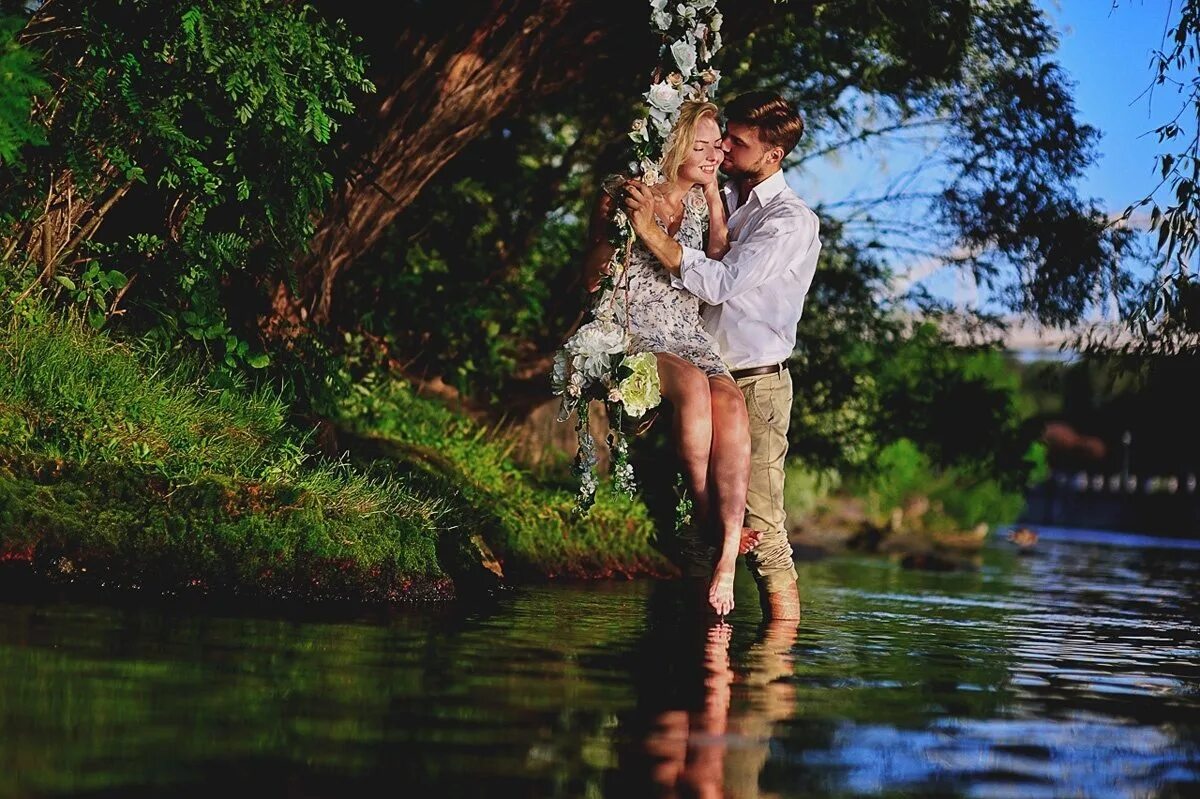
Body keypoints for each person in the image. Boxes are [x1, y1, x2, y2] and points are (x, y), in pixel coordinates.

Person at [622, 91, 821, 621]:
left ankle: (779, 659)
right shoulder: (719, 192)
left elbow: (723, 282)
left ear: (774, 154)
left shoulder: (790, 221)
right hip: (692, 371)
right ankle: (698, 646)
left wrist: (654, 238)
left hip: (754, 383)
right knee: (690, 524)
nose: (725, 149)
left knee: (766, 530)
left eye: (738, 142)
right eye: (722, 137)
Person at [580, 100, 749, 617]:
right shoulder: (628, 195)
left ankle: (726, 558)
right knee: (695, 388)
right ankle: (707, 520)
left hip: (687, 332)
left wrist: (715, 202)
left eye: (716, 146)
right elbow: (594, 280)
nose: (713, 155)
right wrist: (624, 231)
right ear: (672, 144)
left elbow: (718, 267)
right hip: (637, 328)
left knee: (732, 405)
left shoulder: (703, 204)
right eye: (700, 146)